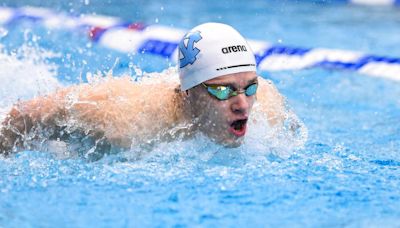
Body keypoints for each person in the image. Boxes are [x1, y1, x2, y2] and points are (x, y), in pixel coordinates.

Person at [0, 22, 295, 158]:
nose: (243, 105)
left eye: (249, 87)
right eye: (223, 91)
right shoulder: (125, 120)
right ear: (188, 92)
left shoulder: (268, 104)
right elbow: (26, 115)